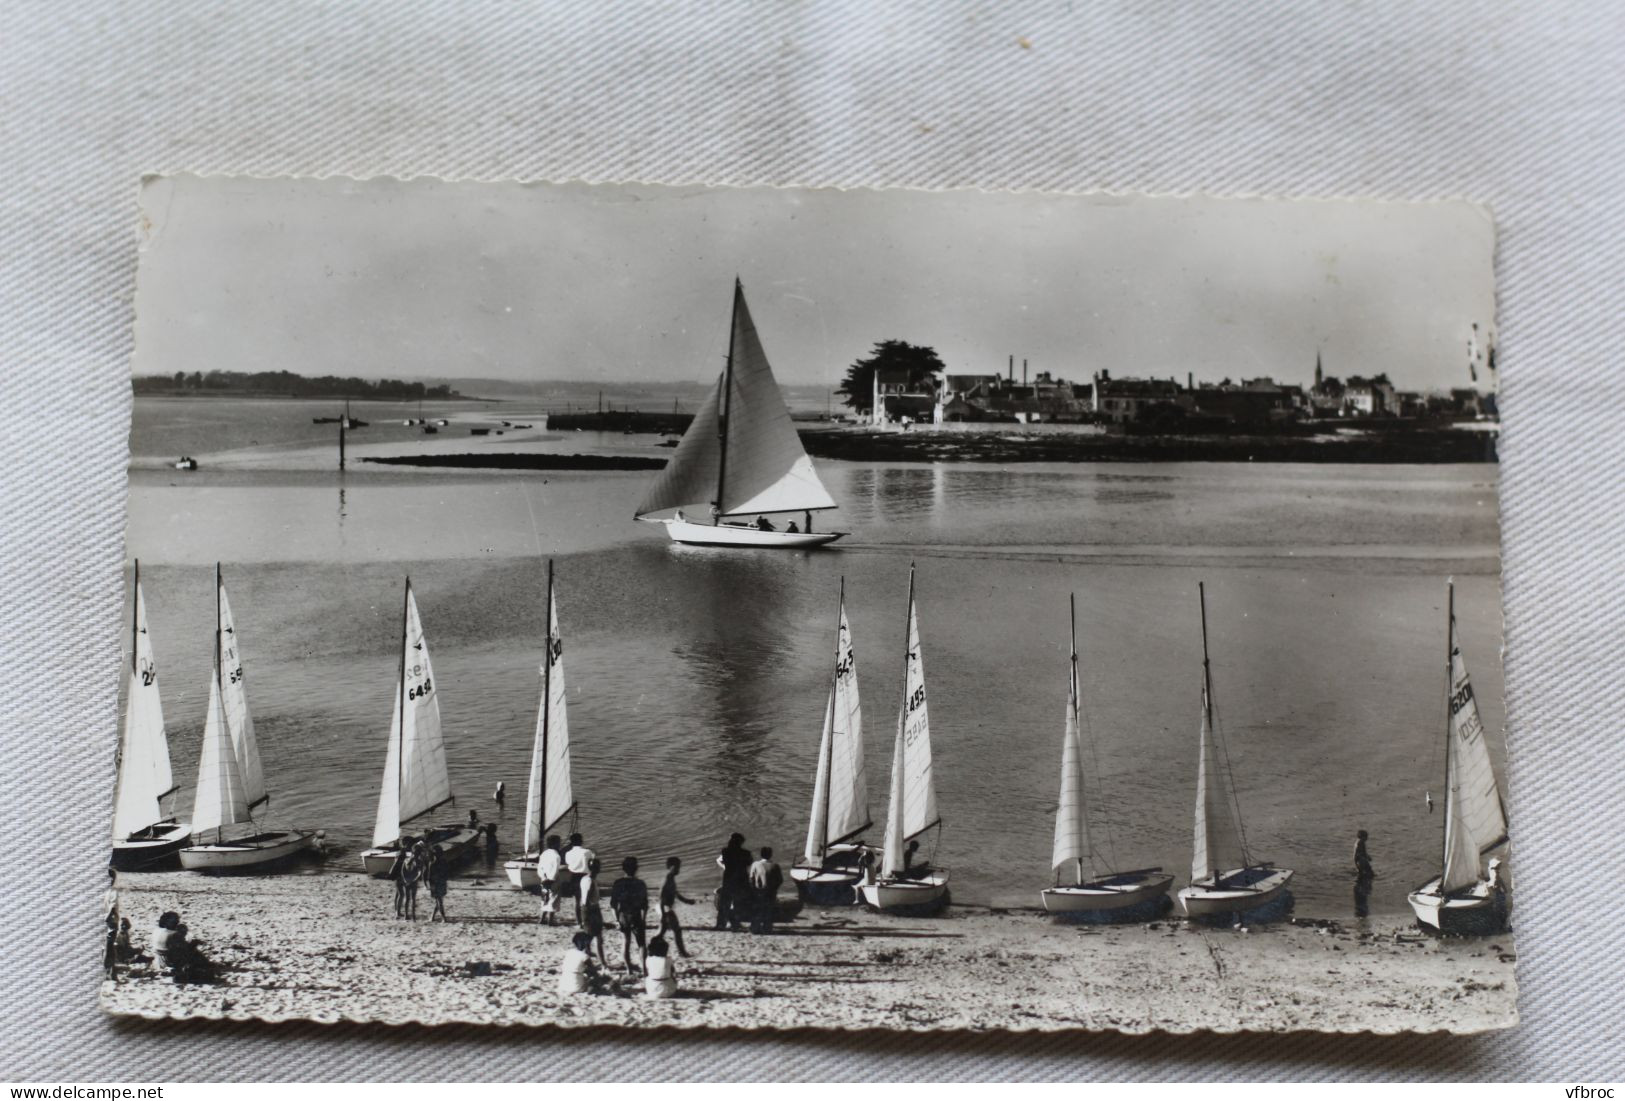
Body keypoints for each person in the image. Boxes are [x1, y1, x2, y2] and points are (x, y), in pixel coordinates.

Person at [609, 857, 650, 975]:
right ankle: (645, 970)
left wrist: (616, 920)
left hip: (623, 915)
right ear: (636, 869)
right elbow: (645, 905)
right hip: (636, 915)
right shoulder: (640, 883)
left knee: (625, 942)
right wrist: (644, 919)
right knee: (641, 944)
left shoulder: (618, 883)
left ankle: (629, 969)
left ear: (623, 869)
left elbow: (613, 904)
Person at [659, 856, 694, 958]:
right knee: (676, 930)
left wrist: (687, 901)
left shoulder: (670, 877)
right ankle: (682, 953)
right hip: (665, 908)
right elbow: (661, 895)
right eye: (678, 867)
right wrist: (663, 912)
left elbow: (675, 893)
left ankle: (652, 950)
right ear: (673, 866)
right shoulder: (668, 878)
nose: (679, 869)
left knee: (662, 932)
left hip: (665, 908)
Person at [715, 833, 751, 931]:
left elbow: (720, 861)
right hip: (741, 879)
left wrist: (725, 867)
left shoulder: (725, 851)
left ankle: (721, 924)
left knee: (725, 903)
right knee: (738, 903)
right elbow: (749, 863)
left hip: (728, 879)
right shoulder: (746, 853)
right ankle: (735, 924)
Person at [748, 846, 783, 935]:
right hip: (770, 892)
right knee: (768, 910)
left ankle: (755, 928)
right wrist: (774, 889)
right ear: (770, 855)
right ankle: (767, 928)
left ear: (761, 854)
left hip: (758, 891)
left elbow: (751, 878)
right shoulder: (775, 866)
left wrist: (753, 889)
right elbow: (780, 880)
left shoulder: (755, 864)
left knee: (757, 910)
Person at [564, 833, 595, 927]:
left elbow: (568, 864)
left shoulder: (568, 853)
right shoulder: (588, 852)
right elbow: (592, 863)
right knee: (587, 900)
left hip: (574, 877)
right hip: (585, 876)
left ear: (571, 842)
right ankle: (587, 920)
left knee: (577, 901)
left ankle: (579, 922)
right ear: (581, 841)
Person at [558, 931, 601, 996]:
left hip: (563, 984)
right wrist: (598, 968)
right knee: (594, 978)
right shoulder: (584, 956)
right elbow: (593, 971)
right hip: (576, 987)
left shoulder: (569, 952)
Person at [537, 835, 565, 925]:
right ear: (555, 844)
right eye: (558, 843)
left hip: (544, 879)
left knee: (545, 898)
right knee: (553, 898)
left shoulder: (544, 854)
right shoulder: (556, 855)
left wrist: (543, 877)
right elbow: (555, 870)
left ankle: (542, 919)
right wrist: (551, 879)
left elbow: (540, 867)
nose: (559, 844)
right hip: (553, 880)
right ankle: (551, 920)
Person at [643, 936, 678, 1000]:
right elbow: (672, 973)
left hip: (652, 991)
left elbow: (647, 973)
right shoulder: (668, 959)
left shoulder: (648, 959)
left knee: (648, 978)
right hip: (668, 991)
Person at [400, 845, 424, 921]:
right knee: (413, 899)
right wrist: (414, 880)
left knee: (407, 899)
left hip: (407, 881)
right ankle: (413, 915)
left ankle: (407, 915)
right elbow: (420, 873)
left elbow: (402, 871)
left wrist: (406, 880)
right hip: (413, 882)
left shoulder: (406, 860)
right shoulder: (419, 861)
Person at [388, 841, 410, 918]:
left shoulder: (398, 856)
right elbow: (401, 869)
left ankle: (396, 910)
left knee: (398, 894)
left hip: (397, 878)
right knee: (401, 895)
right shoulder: (401, 858)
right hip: (400, 878)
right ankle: (398, 913)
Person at [428, 849, 450, 922]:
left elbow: (429, 877)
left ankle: (433, 917)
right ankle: (443, 918)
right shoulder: (443, 862)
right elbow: (447, 874)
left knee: (438, 902)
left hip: (438, 884)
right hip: (439, 884)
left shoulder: (432, 864)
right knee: (439, 901)